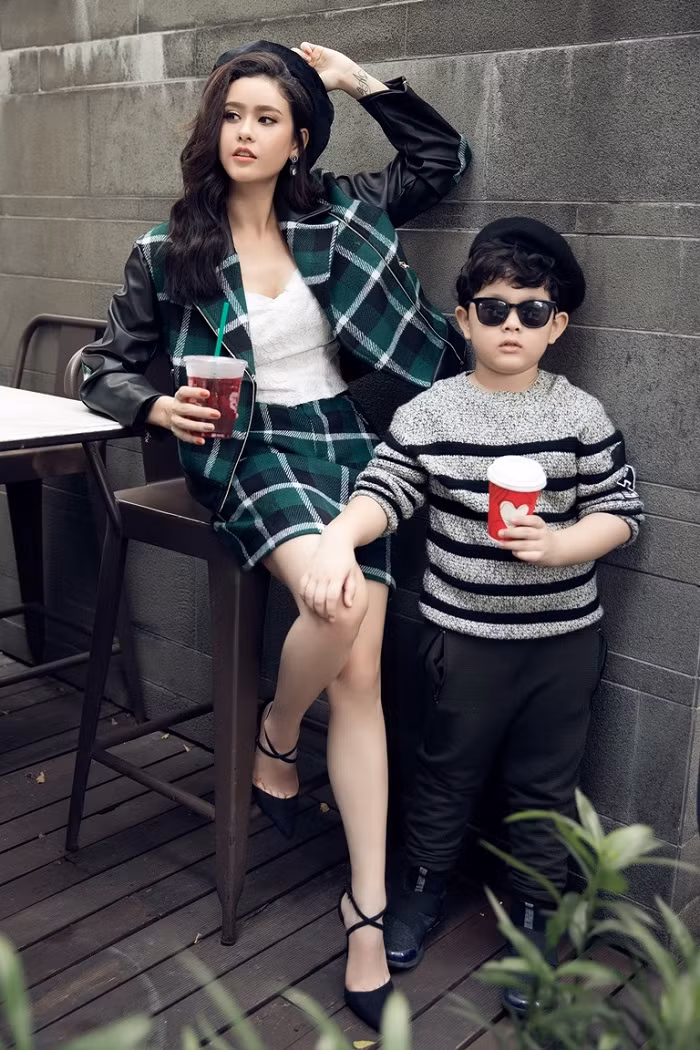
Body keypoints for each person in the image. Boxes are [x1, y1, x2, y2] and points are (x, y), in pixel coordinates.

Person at [79, 39, 470, 1029]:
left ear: (299, 140)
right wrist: (154, 406)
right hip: (245, 449)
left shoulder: (339, 214)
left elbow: (439, 161)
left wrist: (355, 82)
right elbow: (100, 365)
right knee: (337, 607)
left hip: (345, 438)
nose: (244, 132)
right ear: (211, 130)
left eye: (266, 117)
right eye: (232, 114)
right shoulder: (167, 249)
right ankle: (278, 733)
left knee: (361, 670)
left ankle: (363, 908)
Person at [298, 216, 644, 1014]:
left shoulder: (581, 416)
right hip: (463, 640)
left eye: (531, 310)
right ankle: (421, 886)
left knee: (546, 786)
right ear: (463, 319)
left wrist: (561, 545)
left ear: (557, 325)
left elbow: (622, 512)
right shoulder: (430, 413)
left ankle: (536, 914)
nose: (511, 324)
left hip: (562, 643)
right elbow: (386, 490)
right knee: (446, 770)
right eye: (493, 309)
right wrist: (338, 538)